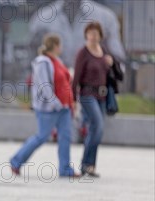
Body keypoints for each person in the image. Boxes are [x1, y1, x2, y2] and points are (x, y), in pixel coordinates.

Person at [10, 34, 80, 178]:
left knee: (65, 137)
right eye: (60, 45)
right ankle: (16, 161)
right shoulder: (42, 62)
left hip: (64, 107)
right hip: (49, 108)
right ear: (55, 45)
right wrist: (55, 103)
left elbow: (65, 81)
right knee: (42, 136)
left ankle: (65, 169)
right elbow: (44, 85)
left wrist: (70, 101)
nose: (61, 48)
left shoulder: (57, 61)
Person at [29, 0, 125, 67]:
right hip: (54, 86)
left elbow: (117, 58)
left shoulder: (105, 18)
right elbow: (31, 59)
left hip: (92, 87)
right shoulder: (42, 19)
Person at [72, 22, 113, 178]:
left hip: (102, 96)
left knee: (97, 131)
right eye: (90, 33)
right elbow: (75, 77)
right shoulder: (83, 53)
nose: (93, 36)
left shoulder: (104, 52)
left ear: (100, 36)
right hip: (87, 94)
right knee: (98, 125)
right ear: (86, 35)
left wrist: (111, 63)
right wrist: (73, 99)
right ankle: (85, 164)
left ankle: (90, 165)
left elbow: (114, 74)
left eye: (96, 33)